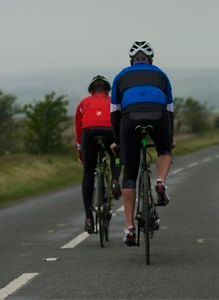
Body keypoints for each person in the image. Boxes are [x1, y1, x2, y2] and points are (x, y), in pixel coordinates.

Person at [110, 41, 176, 246]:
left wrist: (117, 141)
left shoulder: (120, 76)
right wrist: (169, 136)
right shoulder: (161, 75)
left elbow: (114, 112)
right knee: (164, 148)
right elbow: (170, 109)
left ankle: (129, 227)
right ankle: (160, 181)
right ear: (151, 60)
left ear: (131, 61)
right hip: (158, 116)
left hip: (130, 119)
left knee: (129, 171)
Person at [75, 75, 122, 233]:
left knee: (88, 172)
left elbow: (78, 129)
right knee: (116, 156)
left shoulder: (83, 103)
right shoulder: (112, 102)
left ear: (91, 91)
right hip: (110, 131)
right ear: (108, 91)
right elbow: (121, 122)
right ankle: (115, 179)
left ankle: (89, 218)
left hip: (89, 133)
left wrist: (81, 152)